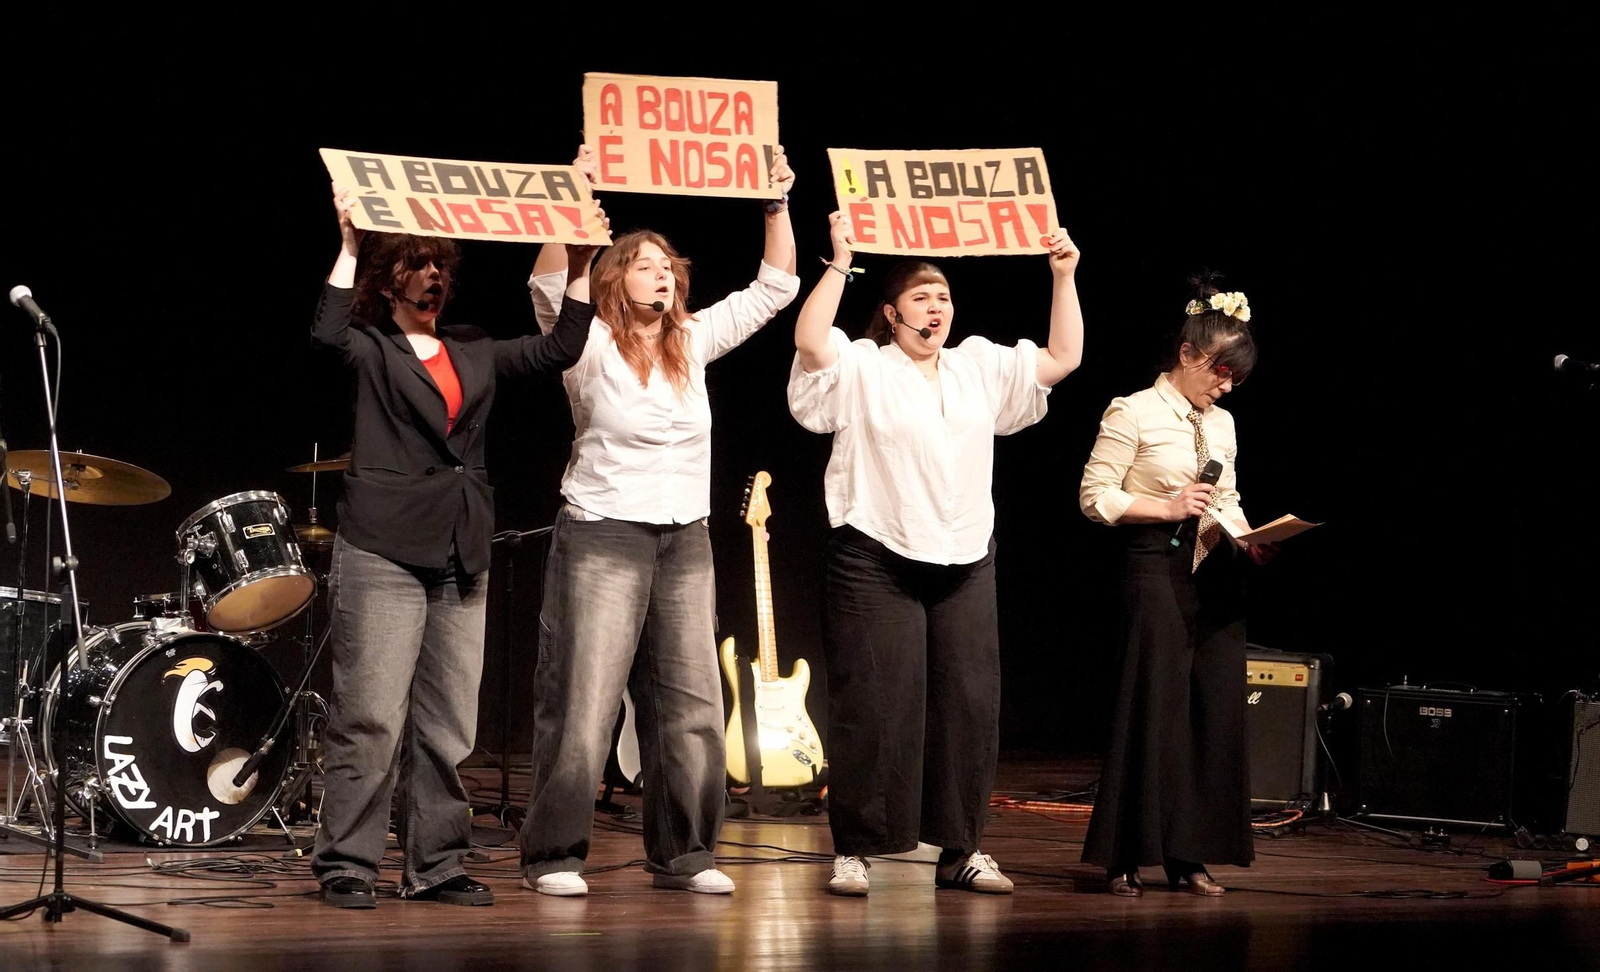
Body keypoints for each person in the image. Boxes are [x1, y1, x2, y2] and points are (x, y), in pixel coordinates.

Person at [518, 146, 799, 896]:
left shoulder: (693, 339)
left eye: (669, 264)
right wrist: (573, 191)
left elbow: (775, 288)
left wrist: (775, 204)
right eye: (643, 263)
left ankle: (685, 852)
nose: (662, 272)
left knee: (693, 705)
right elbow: (549, 282)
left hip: (686, 537)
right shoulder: (587, 344)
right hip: (603, 530)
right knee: (584, 700)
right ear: (614, 277)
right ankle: (554, 855)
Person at [310, 183, 601, 908]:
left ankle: (435, 863)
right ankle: (347, 860)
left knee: (447, 722)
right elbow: (325, 335)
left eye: (442, 265)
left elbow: (563, 345)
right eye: (418, 265)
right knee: (371, 717)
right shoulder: (372, 347)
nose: (435, 276)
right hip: (382, 546)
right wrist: (348, 245)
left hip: (459, 548)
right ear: (389, 279)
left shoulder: (473, 349)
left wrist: (585, 256)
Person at [787, 211, 1084, 896]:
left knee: (969, 703)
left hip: (964, 556)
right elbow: (809, 342)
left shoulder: (977, 364)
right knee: (876, 703)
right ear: (890, 314)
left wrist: (1062, 276)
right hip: (875, 553)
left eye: (944, 296)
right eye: (921, 296)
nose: (936, 306)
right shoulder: (863, 365)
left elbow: (1062, 359)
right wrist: (839, 262)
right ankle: (857, 848)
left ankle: (962, 849)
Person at [1077, 278, 1274, 897]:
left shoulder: (1226, 424)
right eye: (1220, 372)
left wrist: (1249, 535)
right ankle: (1126, 856)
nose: (1226, 387)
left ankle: (1192, 855)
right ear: (1187, 354)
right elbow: (1094, 497)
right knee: (1153, 707)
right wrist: (1164, 507)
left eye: (1235, 379)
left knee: (1213, 711)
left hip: (1213, 571)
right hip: (1153, 567)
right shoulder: (1131, 410)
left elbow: (1229, 496)